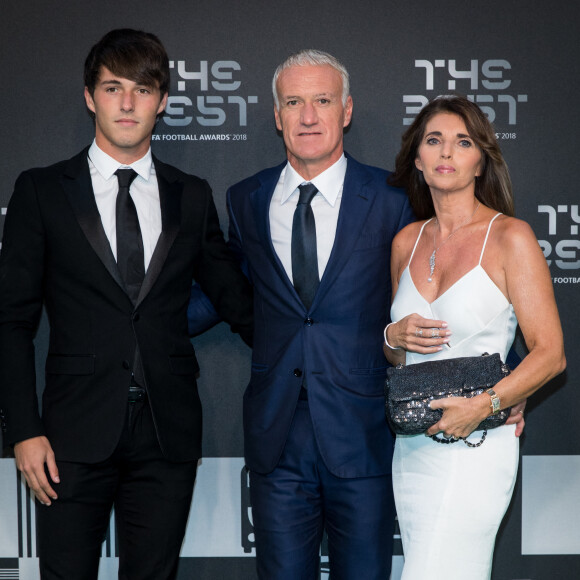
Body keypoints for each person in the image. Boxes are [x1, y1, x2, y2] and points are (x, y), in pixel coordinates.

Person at [0, 29, 252, 579]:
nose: (128, 102)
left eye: (143, 88)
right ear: (90, 96)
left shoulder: (191, 194)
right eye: (114, 88)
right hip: (69, 433)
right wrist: (23, 428)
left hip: (167, 433)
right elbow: (11, 321)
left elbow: (236, 300)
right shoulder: (42, 190)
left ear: (162, 101)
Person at [222, 49, 416, 579]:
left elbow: (444, 283)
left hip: (363, 430)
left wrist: (505, 374)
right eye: (294, 102)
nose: (308, 116)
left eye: (322, 100)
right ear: (277, 115)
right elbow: (227, 290)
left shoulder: (393, 198)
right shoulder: (245, 199)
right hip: (277, 434)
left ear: (346, 110)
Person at [383, 95, 565, 579]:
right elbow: (399, 358)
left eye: (462, 143)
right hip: (414, 443)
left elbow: (550, 356)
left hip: (479, 444)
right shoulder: (406, 242)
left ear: (480, 159)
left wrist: (485, 405)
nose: (447, 153)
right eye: (434, 141)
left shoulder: (511, 238)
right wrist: (392, 334)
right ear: (417, 160)